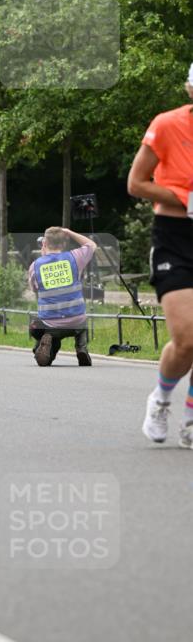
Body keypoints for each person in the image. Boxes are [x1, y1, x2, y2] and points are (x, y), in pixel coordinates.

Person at [128, 64, 193, 448]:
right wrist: (185, 198)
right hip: (174, 238)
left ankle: (190, 418)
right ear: (189, 90)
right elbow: (136, 183)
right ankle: (162, 399)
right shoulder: (168, 125)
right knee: (186, 338)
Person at [28, 227, 96, 366]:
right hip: (76, 322)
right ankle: (81, 348)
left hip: (50, 323)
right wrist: (69, 232)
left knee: (37, 328)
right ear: (64, 243)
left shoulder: (35, 266)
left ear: (44, 243)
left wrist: (43, 258)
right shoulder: (75, 258)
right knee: (83, 321)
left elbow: (34, 289)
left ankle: (40, 350)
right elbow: (91, 245)